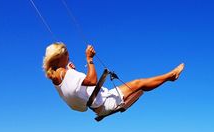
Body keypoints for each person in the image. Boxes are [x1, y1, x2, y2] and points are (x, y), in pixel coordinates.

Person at [42, 42, 184, 117]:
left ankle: (169, 77)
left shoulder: (55, 77)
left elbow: (72, 87)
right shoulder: (67, 74)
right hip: (106, 103)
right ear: (60, 57)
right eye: (67, 54)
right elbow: (91, 80)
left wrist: (70, 69)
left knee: (138, 84)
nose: (69, 56)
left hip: (100, 102)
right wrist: (89, 59)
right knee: (139, 83)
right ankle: (171, 76)